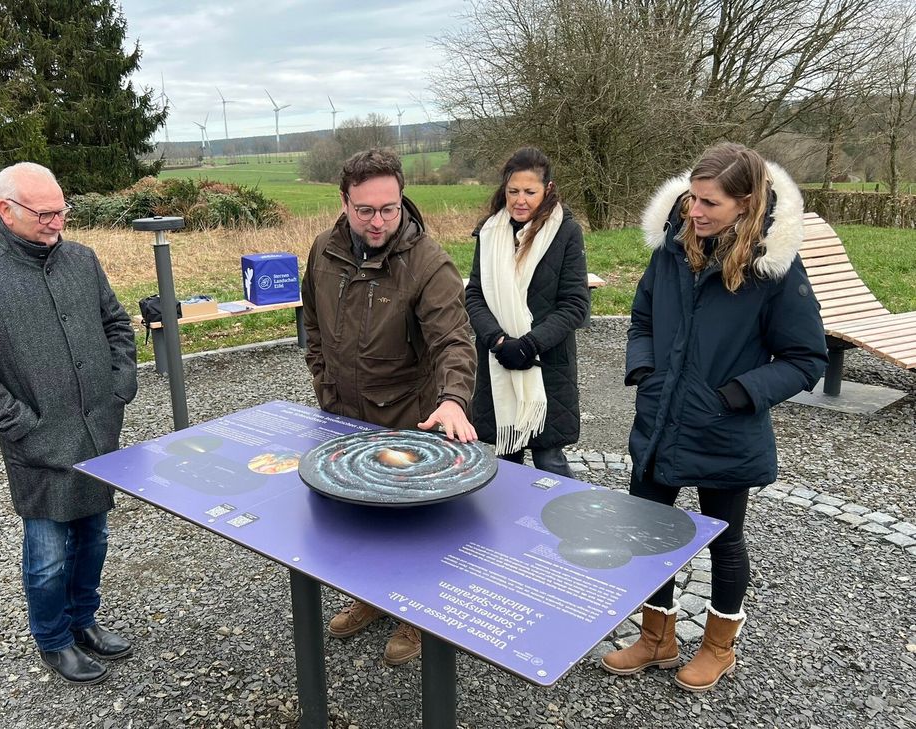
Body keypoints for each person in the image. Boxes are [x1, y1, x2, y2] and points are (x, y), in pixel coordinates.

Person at [600, 143, 828, 691]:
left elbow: (806, 358)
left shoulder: (775, 271)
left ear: (747, 204)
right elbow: (642, 319)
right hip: (659, 421)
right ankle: (657, 638)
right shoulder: (671, 252)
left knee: (724, 542)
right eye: (691, 199)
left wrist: (734, 396)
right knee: (650, 534)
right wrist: (645, 372)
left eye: (710, 203)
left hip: (725, 430)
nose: (694, 212)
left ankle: (718, 647)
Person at [0, 162, 138, 686]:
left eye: (61, 210)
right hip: (37, 444)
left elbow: (116, 324)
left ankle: (84, 621)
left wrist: (119, 387)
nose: (57, 223)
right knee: (47, 552)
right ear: (7, 210)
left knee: (94, 537)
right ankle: (53, 639)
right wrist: (19, 422)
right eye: (45, 214)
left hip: (97, 432)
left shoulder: (81, 260)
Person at [301, 148, 477, 665]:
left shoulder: (427, 262)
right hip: (343, 414)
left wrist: (452, 400)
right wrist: (322, 379)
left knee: (411, 529)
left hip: (407, 419)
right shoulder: (322, 251)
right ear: (343, 202)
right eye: (365, 210)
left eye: (390, 209)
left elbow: (454, 341)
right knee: (357, 521)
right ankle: (371, 598)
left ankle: (415, 618)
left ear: (402, 200)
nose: (378, 222)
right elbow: (311, 322)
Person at [465, 147, 589, 477]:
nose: (520, 200)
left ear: (547, 190)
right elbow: (475, 295)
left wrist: (529, 345)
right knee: (507, 459)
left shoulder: (566, 233)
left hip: (545, 362)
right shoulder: (489, 233)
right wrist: (498, 341)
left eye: (529, 192)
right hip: (499, 359)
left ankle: (564, 524)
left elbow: (575, 304)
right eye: (513, 191)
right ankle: (508, 526)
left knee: (549, 459)